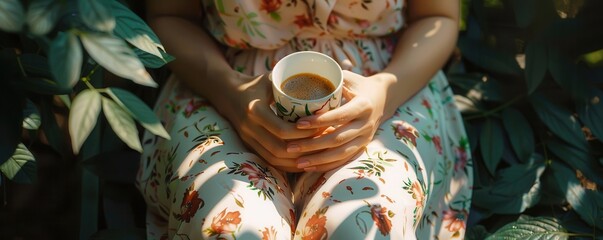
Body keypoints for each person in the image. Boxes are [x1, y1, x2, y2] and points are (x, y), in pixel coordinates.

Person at [137, 0, 473, 239]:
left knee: (364, 223)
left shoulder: (386, 88)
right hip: (221, 79)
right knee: (228, 228)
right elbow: (170, 14)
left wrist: (383, 93)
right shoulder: (225, 89)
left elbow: (437, 15)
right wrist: (230, 94)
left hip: (390, 79)